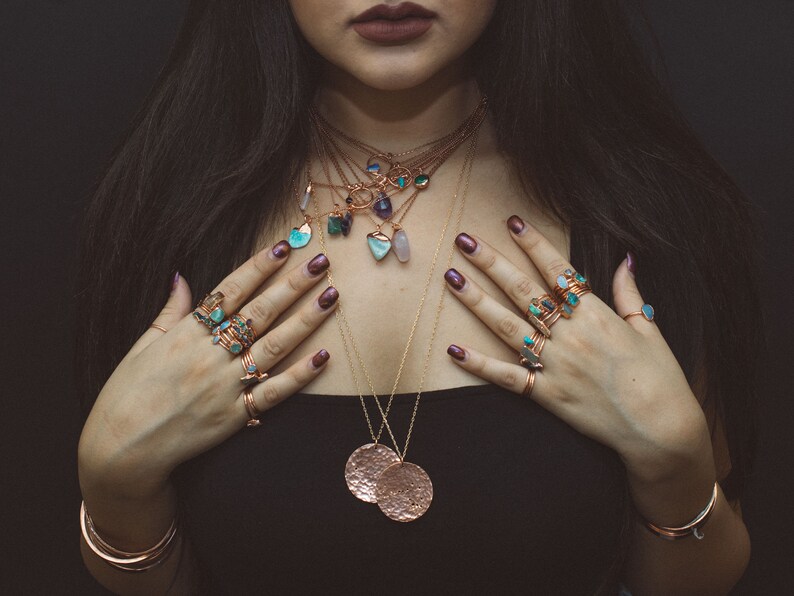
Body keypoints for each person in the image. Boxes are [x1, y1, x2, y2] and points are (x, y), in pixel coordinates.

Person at [76, 1, 760, 593]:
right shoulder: (168, 215)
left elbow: (696, 581)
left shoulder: (640, 212)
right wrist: (115, 485)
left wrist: (674, 462)